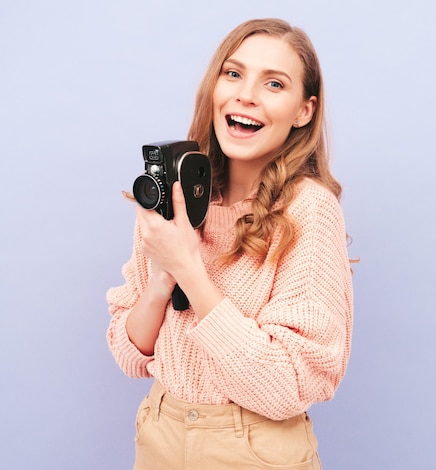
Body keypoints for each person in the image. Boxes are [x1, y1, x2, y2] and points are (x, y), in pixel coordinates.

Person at [106, 18, 353, 470]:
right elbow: (129, 354)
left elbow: (287, 387)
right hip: (160, 432)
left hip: (253, 447)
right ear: (215, 87)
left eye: (274, 83)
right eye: (233, 74)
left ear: (304, 110)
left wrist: (190, 270)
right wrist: (163, 278)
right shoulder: (174, 197)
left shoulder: (308, 211)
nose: (246, 95)